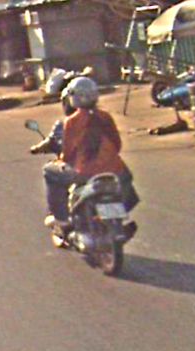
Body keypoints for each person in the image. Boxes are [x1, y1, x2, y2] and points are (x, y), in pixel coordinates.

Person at [42, 76, 138, 236]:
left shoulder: (72, 121)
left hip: (85, 173)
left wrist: (61, 161)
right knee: (125, 178)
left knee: (49, 171)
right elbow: (117, 145)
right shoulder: (105, 116)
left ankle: (62, 220)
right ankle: (119, 216)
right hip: (115, 171)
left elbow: (67, 154)